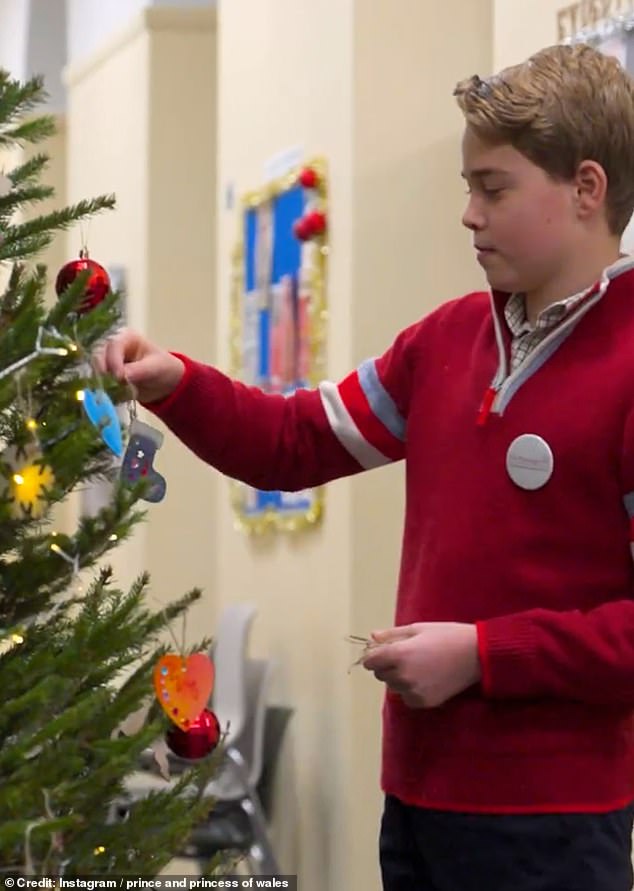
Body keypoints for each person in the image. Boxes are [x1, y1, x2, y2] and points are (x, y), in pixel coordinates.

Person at [99, 43, 634, 891]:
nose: (468, 213)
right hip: (416, 800)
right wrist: (180, 384)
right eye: (467, 186)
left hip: (554, 823)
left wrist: (485, 653)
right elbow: (292, 440)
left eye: (492, 189)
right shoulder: (445, 340)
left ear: (587, 189)